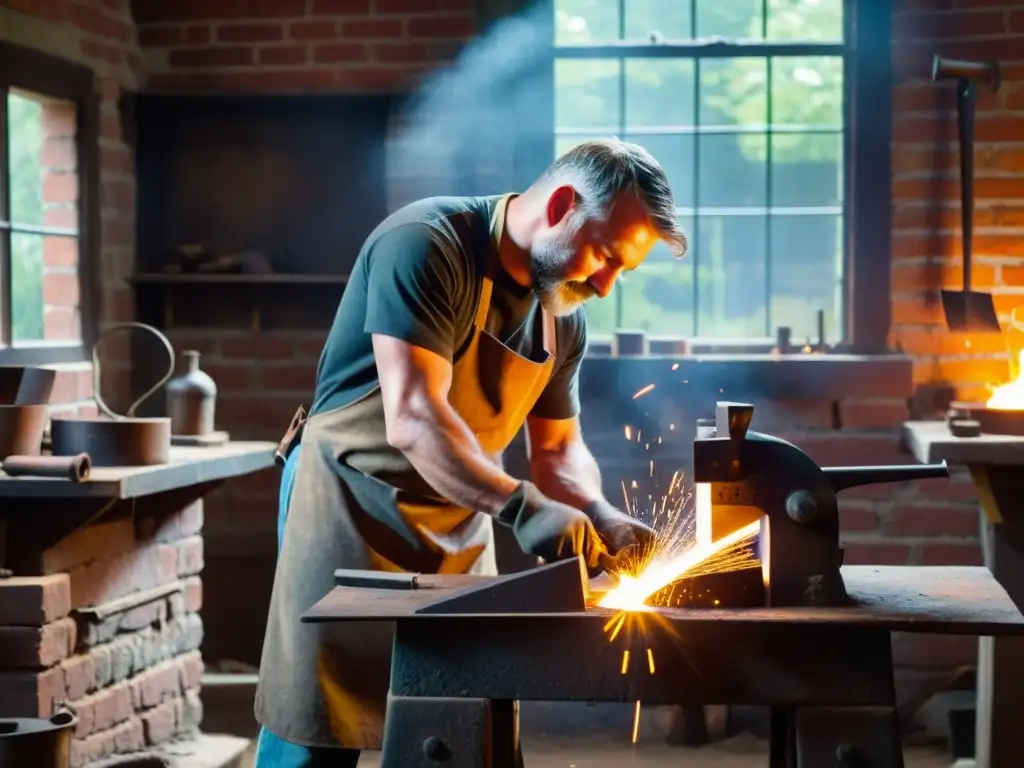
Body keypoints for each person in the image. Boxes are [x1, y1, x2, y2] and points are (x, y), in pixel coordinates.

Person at [253, 138, 688, 767]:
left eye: (623, 270)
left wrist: (599, 512)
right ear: (562, 203)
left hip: (461, 516)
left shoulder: (562, 311)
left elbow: (559, 451)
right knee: (316, 724)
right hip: (347, 505)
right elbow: (414, 419)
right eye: (604, 255)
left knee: (460, 724)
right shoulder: (427, 245)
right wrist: (524, 511)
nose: (604, 283)